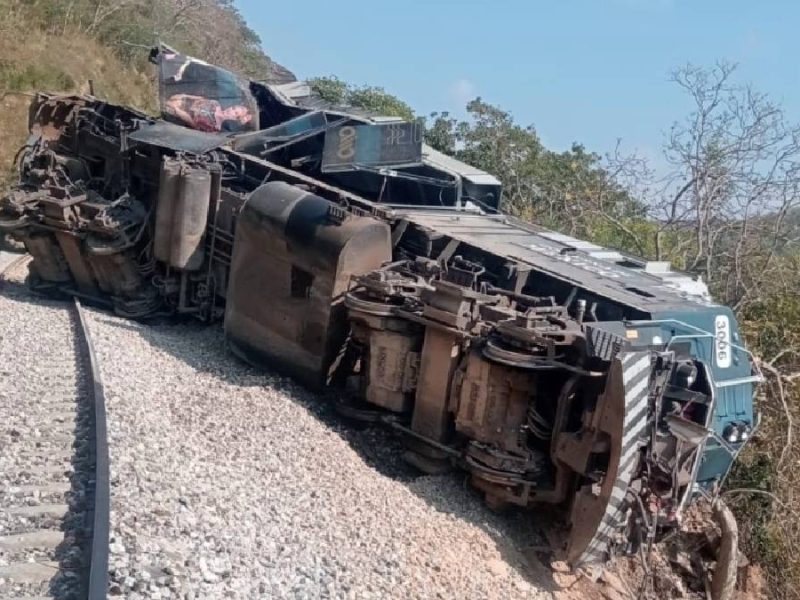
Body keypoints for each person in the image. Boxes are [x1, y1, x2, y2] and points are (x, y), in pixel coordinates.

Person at [164, 94, 253, 133]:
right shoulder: (215, 103)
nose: (231, 110)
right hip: (181, 103)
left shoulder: (215, 127)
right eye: (233, 108)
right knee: (174, 101)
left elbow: (192, 124)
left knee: (171, 106)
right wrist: (185, 96)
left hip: (178, 117)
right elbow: (198, 99)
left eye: (235, 113)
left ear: (235, 119)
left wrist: (179, 112)